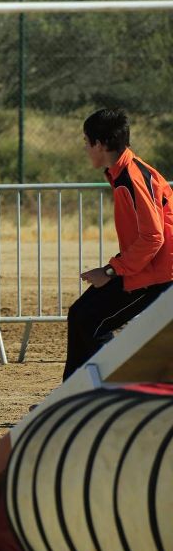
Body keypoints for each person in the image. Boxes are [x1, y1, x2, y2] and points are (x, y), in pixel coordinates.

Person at [63, 108, 173, 380]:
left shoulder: (132, 177)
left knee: (91, 322)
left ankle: (127, 390)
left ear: (100, 144)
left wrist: (110, 271)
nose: (85, 148)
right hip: (143, 266)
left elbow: (153, 237)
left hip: (158, 273)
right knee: (81, 315)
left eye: (86, 142)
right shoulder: (123, 171)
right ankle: (73, 397)